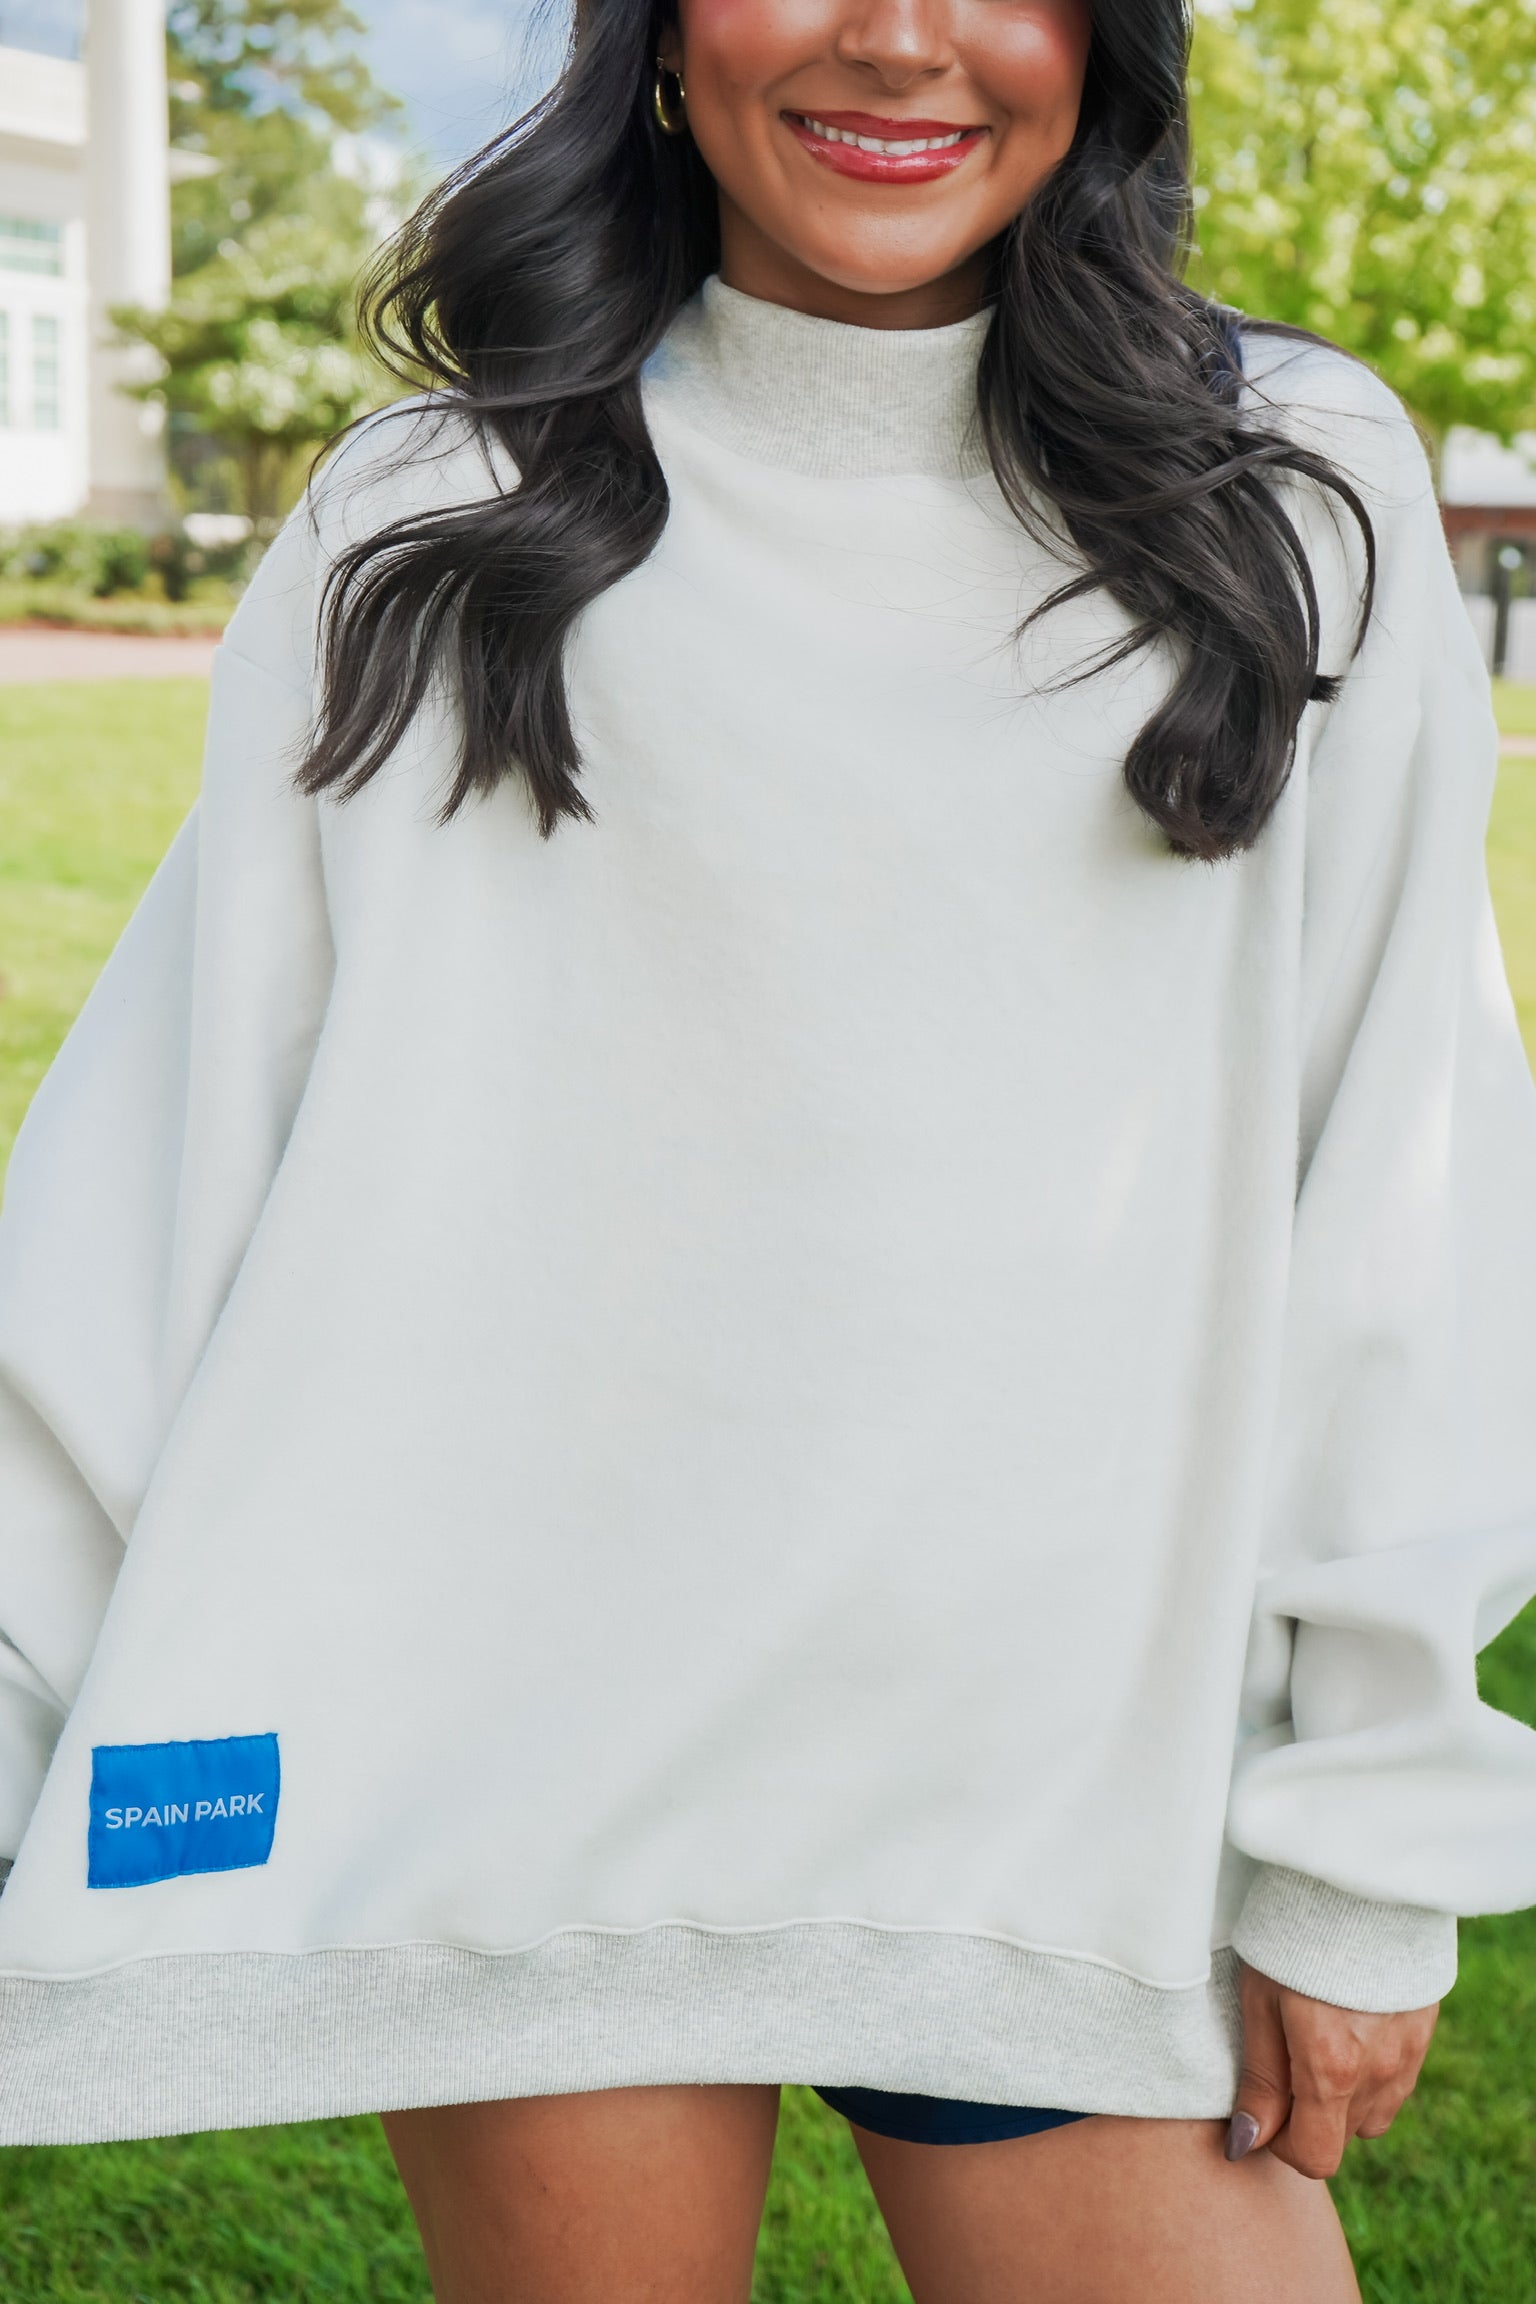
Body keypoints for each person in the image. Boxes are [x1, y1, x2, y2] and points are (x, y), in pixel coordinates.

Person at [0, 0, 1533, 2296]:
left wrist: (1366, 1826)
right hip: (522, 1750)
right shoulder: (440, 506)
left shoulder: (1292, 485)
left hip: (1077, 1784)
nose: (902, 42)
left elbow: (1402, 1181)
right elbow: (176, 1160)